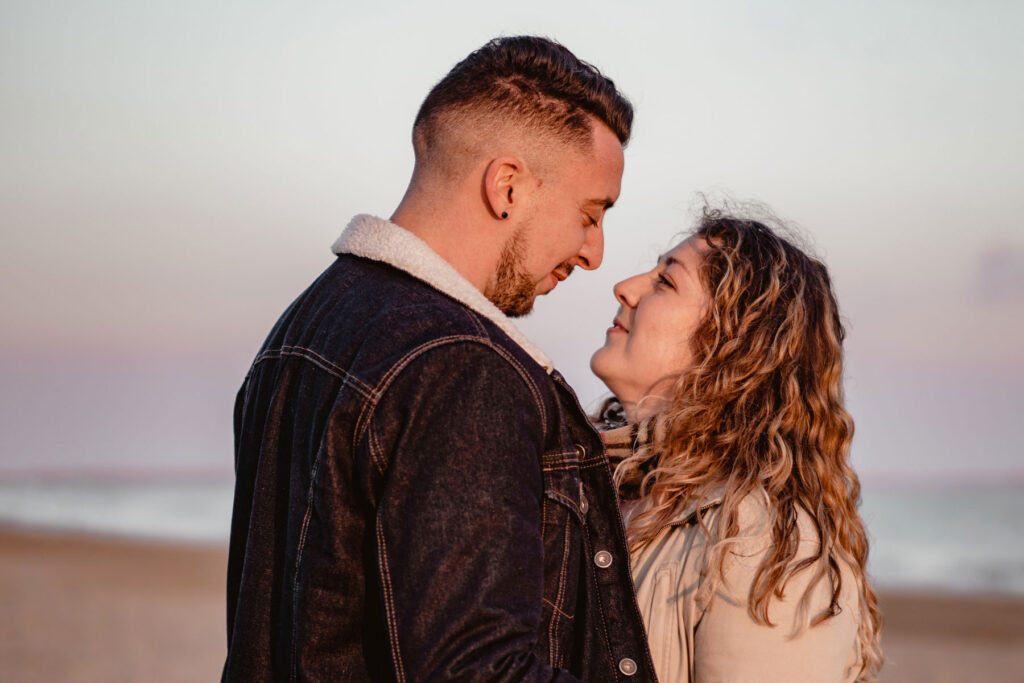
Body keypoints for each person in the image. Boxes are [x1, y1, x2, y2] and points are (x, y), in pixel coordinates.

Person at [223, 36, 657, 681]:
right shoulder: (464, 365)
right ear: (506, 185)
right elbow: (477, 669)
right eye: (589, 214)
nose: (594, 253)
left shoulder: (304, 325)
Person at [590, 210, 884, 682]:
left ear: (732, 343)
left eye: (665, 281)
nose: (625, 287)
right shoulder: (590, 486)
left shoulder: (763, 543)